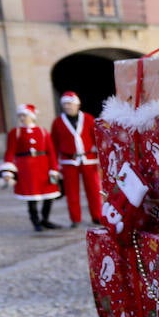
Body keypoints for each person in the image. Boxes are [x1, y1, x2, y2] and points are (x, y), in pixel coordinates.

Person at [0, 104, 62, 232]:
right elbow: (10, 152)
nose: (22, 118)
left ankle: (45, 219)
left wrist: (53, 169)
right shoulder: (15, 133)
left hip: (43, 166)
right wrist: (8, 169)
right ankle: (35, 221)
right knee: (31, 196)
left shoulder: (43, 132)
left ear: (32, 116)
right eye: (20, 116)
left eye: (24, 115)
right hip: (26, 169)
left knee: (48, 195)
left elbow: (51, 152)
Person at [50, 92, 103, 227]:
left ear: (77, 104)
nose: (67, 107)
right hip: (69, 161)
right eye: (65, 104)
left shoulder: (88, 119)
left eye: (70, 104)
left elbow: (97, 139)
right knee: (71, 192)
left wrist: (100, 158)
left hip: (89, 159)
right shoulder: (57, 122)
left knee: (94, 190)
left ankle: (97, 216)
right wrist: (55, 165)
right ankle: (75, 218)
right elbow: (53, 145)